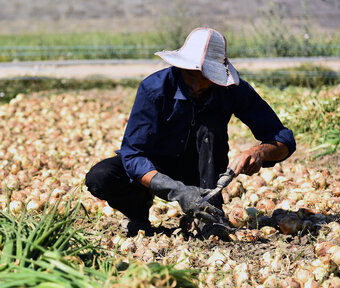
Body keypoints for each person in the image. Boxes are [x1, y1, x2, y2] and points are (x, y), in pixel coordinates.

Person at [85, 27, 296, 236]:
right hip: (153, 168)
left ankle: (209, 211)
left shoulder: (232, 90)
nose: (196, 85)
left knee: (209, 127)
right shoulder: (154, 89)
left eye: (205, 77)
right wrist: (175, 190)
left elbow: (283, 138)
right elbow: (132, 154)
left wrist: (258, 152)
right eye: (190, 74)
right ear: (180, 67)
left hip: (201, 169)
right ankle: (137, 211)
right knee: (100, 178)